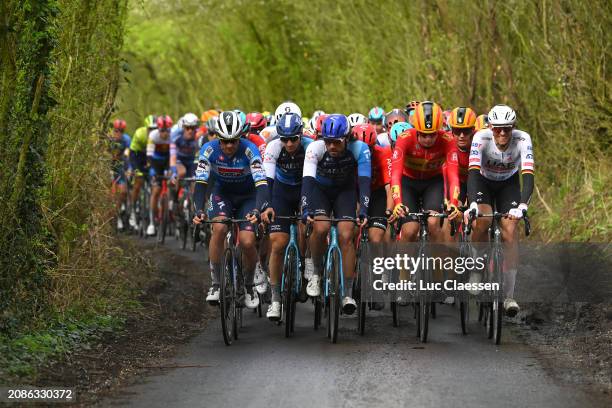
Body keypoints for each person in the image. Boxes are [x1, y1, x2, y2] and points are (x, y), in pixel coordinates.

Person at [192, 111, 271, 309]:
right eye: (224, 141)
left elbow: (261, 184)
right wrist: (198, 210)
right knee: (219, 228)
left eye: (233, 141)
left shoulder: (250, 149)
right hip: (222, 194)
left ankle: (249, 284)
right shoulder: (208, 150)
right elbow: (201, 183)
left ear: (240, 138)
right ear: (217, 138)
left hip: (248, 196)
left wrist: (256, 209)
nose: (229, 146)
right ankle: (216, 284)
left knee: (247, 241)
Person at [465, 104, 534, 317]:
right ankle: (476, 270)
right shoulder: (480, 137)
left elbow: (528, 175)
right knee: (482, 221)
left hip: (508, 184)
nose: (502, 133)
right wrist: (474, 204)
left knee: (510, 231)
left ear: (513, 127)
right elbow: (474, 173)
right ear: (490, 127)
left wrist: (523, 206)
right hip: (483, 183)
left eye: (507, 128)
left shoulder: (523, 139)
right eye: (497, 128)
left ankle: (509, 296)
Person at [390, 101, 461, 304]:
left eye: (432, 135)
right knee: (410, 230)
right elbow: (394, 174)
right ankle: (404, 282)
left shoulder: (448, 140)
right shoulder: (404, 139)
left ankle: (438, 283)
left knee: (433, 225)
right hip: (408, 182)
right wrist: (397, 202)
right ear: (416, 130)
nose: (428, 139)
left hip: (433, 183)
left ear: (439, 130)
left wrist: (454, 202)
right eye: (423, 134)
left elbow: (454, 176)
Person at [301, 114, 371, 314]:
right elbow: (307, 181)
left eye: (337, 142)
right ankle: (315, 273)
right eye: (328, 142)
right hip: (320, 191)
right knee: (320, 227)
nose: (331, 147)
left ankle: (348, 292)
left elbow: (365, 182)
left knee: (347, 235)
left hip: (345, 192)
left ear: (347, 138)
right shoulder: (315, 148)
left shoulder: (360, 149)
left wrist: (364, 209)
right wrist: (306, 208)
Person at [262, 112, 314, 320]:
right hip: (281, 192)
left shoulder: (310, 146)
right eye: (285, 139)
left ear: (301, 136)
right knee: (277, 243)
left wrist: (307, 206)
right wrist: (266, 206)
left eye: (294, 138)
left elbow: (312, 180)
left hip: (305, 189)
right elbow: (267, 180)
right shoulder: (273, 147)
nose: (289, 143)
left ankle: (304, 264)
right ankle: (275, 299)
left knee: (306, 226)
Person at [146, 115, 175, 236]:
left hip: (168, 161)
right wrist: (154, 172)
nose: (164, 133)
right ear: (158, 129)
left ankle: (170, 207)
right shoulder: (153, 136)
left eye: (167, 130)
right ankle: (152, 223)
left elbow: (174, 155)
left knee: (170, 184)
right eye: (162, 130)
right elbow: (149, 156)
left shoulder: (173, 136)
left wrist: (172, 170)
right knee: (156, 190)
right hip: (156, 162)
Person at [128, 115, 156, 228]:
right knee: (138, 181)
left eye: (155, 129)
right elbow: (132, 154)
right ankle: (133, 210)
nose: (153, 132)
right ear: (146, 128)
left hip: (151, 156)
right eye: (151, 129)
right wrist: (136, 169)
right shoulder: (140, 134)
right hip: (138, 156)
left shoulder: (158, 137)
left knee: (154, 182)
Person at [109, 119, 131, 230]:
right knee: (111, 194)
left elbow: (128, 155)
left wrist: (129, 169)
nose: (119, 133)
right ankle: (113, 217)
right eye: (116, 131)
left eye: (121, 131)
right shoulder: (108, 140)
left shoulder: (126, 140)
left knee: (123, 192)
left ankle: (121, 212)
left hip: (121, 168)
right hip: (109, 167)